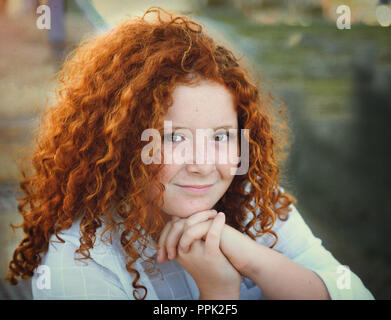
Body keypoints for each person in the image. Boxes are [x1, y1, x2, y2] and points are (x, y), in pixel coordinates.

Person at [6, 7, 374, 300]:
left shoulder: (255, 204)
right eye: (174, 138)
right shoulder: (79, 260)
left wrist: (250, 257)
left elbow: (353, 294)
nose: (202, 165)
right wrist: (218, 293)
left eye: (221, 137)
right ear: (121, 144)